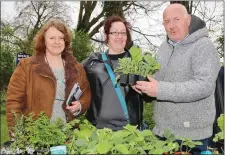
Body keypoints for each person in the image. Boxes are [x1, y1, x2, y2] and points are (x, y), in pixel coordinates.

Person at [134, 3, 221, 154]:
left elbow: (203, 86)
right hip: (163, 132)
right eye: (167, 22)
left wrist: (160, 90)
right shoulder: (163, 48)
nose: (171, 25)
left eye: (176, 19)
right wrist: (144, 88)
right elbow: (157, 80)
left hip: (192, 136)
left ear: (188, 20)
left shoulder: (203, 46)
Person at [6, 18, 91, 137]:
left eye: (61, 38)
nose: (57, 42)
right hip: (35, 136)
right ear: (43, 40)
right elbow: (14, 102)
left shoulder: (77, 68)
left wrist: (80, 105)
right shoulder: (26, 66)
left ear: (65, 41)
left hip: (67, 136)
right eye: (52, 38)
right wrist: (15, 132)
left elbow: (86, 93)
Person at [83, 15, 145, 131]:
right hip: (99, 131)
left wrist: (145, 87)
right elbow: (75, 79)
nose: (119, 37)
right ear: (107, 36)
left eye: (123, 33)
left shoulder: (137, 63)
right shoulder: (93, 62)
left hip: (130, 132)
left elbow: (149, 96)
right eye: (115, 33)